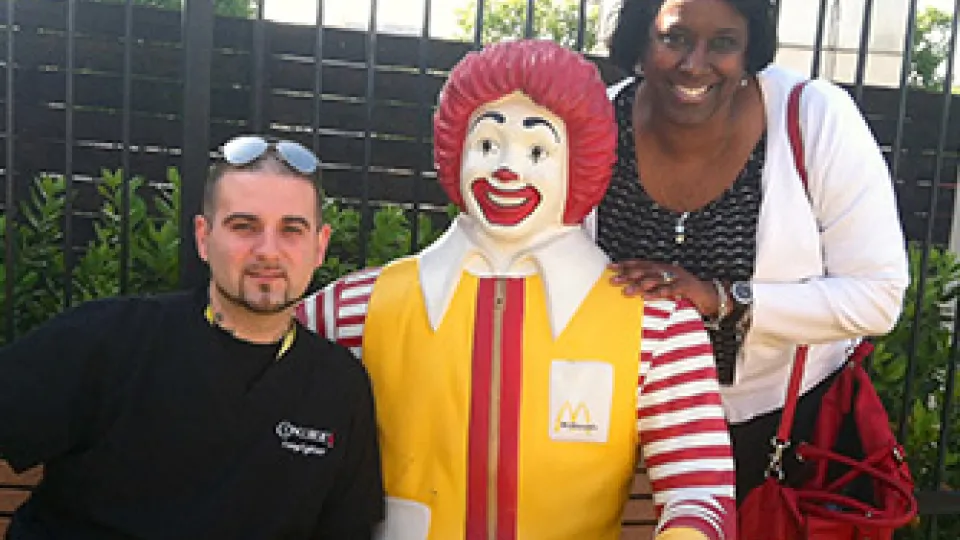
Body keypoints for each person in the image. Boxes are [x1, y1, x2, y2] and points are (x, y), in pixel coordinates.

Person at [298, 40, 735, 540]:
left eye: (537, 151)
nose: (507, 169)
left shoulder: (658, 329)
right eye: (487, 145)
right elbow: (250, 383)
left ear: (581, 162)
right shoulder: (355, 307)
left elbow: (701, 495)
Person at [592, 0, 910, 504]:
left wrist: (722, 299)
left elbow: (878, 297)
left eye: (723, 43)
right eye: (674, 38)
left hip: (777, 435)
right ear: (640, 37)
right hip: (613, 430)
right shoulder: (597, 124)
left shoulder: (812, 117)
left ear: (748, 50)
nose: (694, 64)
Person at [0, 136, 385, 539]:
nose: (268, 251)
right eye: (244, 226)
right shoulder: (109, 339)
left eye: (291, 230)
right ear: (204, 237)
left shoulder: (338, 388)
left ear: (319, 246)